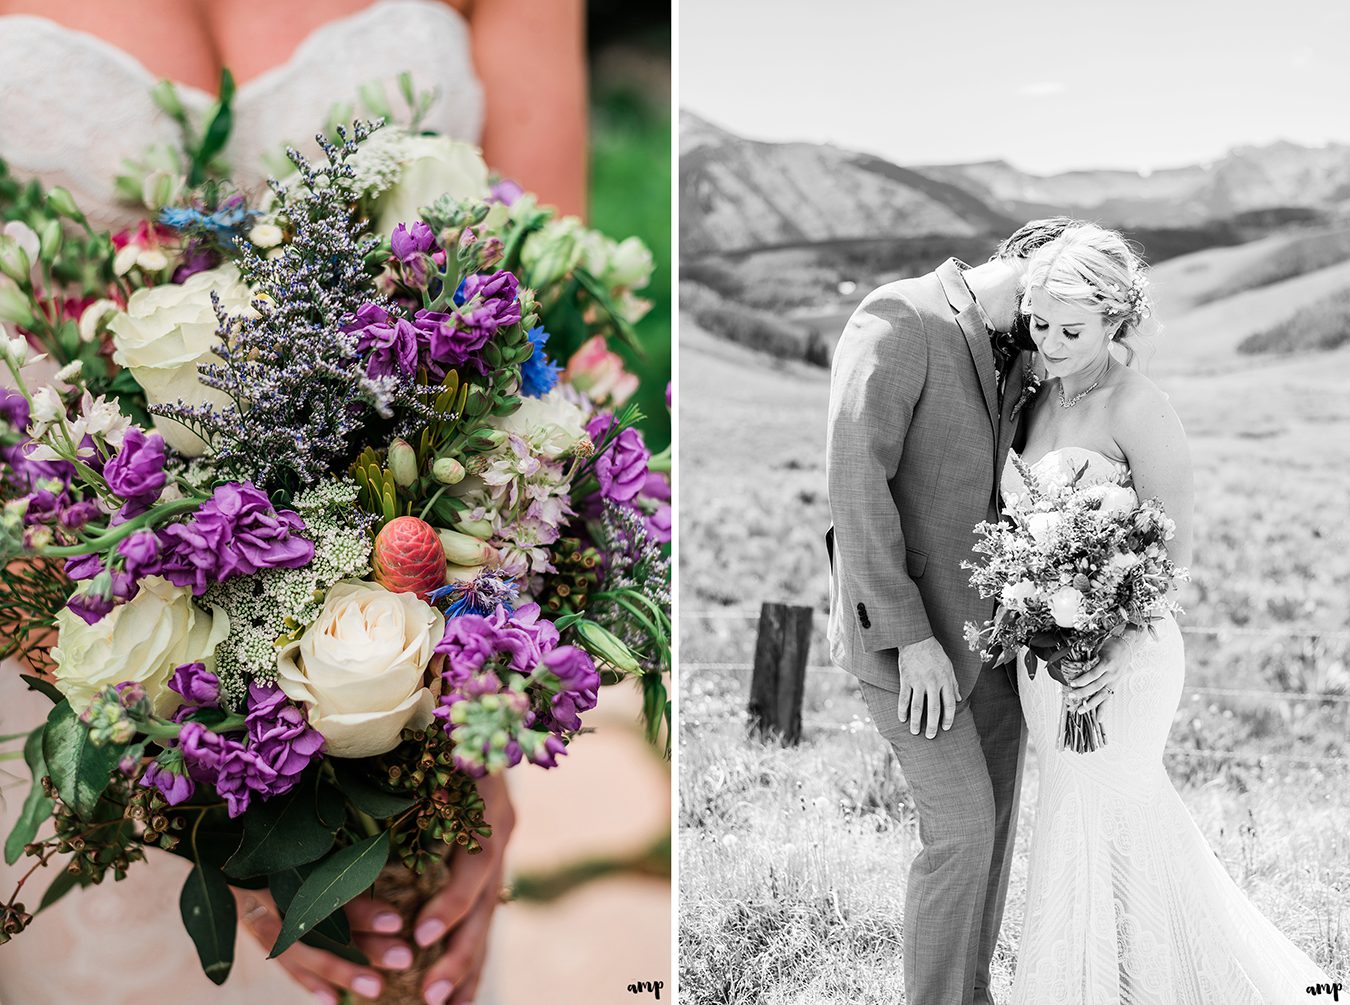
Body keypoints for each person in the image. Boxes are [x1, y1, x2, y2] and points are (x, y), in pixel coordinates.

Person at [0, 2, 584, 1002]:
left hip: (408, 687)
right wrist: (171, 778)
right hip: (76, 667)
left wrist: (467, 726)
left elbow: (548, 349)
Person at [1005, 224, 1330, 1001]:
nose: (1049, 343)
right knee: (1070, 818)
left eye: (1070, 329)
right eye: (1039, 325)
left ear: (1117, 319)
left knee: (1117, 811)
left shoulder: (1140, 408)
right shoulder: (1033, 392)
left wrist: (1114, 643)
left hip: (1131, 656)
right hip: (1049, 661)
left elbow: (1173, 550)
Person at [825, 217, 1109, 1005]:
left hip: (1000, 639)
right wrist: (911, 637)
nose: (1052, 332)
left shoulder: (1022, 349)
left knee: (994, 840)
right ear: (1020, 267)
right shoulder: (900, 316)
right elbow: (855, 481)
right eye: (1047, 308)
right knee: (960, 837)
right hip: (909, 642)